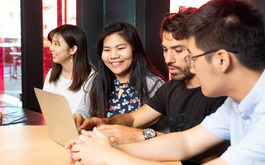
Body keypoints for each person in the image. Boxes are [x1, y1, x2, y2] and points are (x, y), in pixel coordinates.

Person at [66, 0, 265, 164]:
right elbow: (184, 142)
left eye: (193, 57)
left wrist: (107, 156)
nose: (192, 67)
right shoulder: (235, 104)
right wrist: (97, 149)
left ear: (222, 60)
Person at [73, 22, 165, 125]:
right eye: (107, 50)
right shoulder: (96, 81)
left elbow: (162, 129)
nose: (113, 56)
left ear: (135, 50)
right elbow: (84, 113)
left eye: (120, 48)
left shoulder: (153, 84)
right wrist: (78, 118)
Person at [43, 24, 96, 114]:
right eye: (52, 43)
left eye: (56, 44)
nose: (51, 48)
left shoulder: (91, 77)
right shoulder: (52, 73)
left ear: (73, 49)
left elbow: (86, 116)